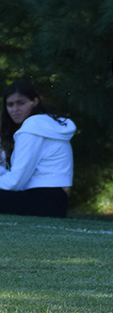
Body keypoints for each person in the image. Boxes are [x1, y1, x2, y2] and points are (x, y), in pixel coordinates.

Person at [0, 79, 76, 218]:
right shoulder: (45, 123)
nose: (15, 110)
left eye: (21, 103)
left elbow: (15, 182)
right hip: (57, 201)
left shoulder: (33, 127)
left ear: (34, 101)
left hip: (45, 199)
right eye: (10, 104)